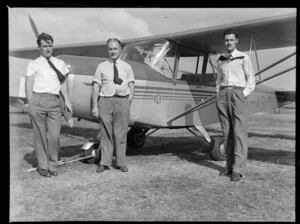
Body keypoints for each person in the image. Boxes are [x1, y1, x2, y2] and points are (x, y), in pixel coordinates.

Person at [25, 32, 73, 177]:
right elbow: (28, 85)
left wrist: (68, 101)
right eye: (45, 46)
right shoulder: (33, 64)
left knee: (54, 136)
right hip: (37, 101)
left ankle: (53, 164)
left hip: (54, 102)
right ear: (39, 47)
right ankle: (43, 166)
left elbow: (63, 85)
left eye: (50, 46)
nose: (48, 49)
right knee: (39, 136)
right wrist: (31, 102)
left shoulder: (60, 63)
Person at [216, 29, 256, 181]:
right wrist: (218, 93)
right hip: (223, 95)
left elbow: (251, 80)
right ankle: (228, 166)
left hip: (238, 94)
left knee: (239, 132)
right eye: (226, 40)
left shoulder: (244, 57)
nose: (229, 43)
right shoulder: (221, 59)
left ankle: (237, 169)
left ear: (236, 41)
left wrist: (242, 94)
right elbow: (219, 79)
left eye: (231, 40)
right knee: (226, 133)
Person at [91, 38, 135, 173]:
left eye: (115, 49)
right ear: (107, 50)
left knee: (121, 133)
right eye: (110, 49)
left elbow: (131, 85)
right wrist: (95, 106)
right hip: (105, 101)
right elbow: (96, 86)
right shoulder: (101, 66)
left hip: (122, 101)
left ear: (120, 50)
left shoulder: (127, 67)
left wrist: (128, 102)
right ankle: (104, 163)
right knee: (105, 133)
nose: (113, 51)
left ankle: (121, 162)